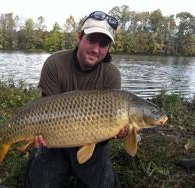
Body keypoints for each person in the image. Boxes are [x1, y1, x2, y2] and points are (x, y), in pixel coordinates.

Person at [21, 11, 129, 188]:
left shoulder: (111, 76)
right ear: (79, 37)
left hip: (93, 142)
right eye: (92, 40)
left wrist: (117, 131)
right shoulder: (54, 64)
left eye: (103, 44)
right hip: (54, 140)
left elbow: (107, 128)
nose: (96, 49)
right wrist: (38, 136)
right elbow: (45, 112)